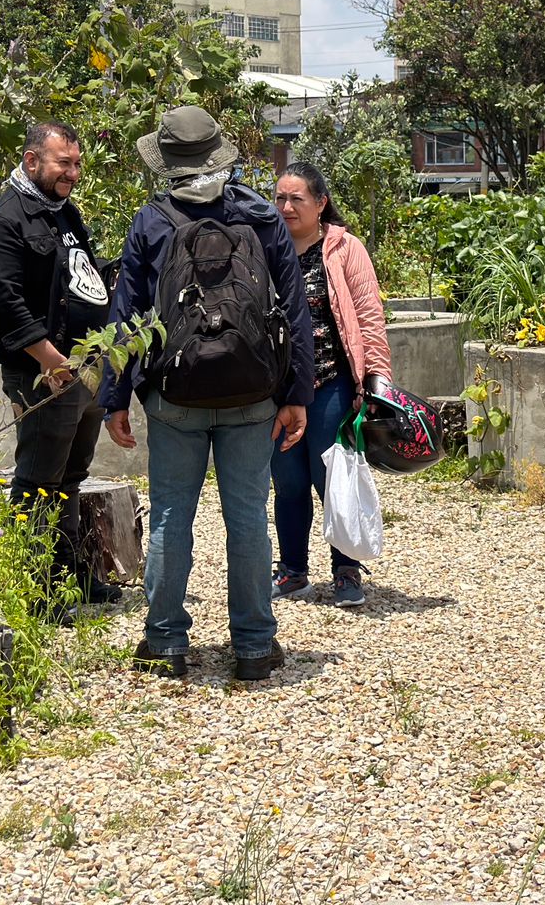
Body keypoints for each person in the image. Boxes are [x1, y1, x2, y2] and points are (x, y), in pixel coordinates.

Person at [100, 106, 313, 681]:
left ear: (168, 161)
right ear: (221, 152)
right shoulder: (262, 216)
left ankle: (165, 643)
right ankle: (253, 647)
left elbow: (127, 315)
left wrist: (114, 396)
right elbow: (293, 312)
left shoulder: (152, 221)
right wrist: (297, 394)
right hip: (252, 395)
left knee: (171, 515)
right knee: (247, 517)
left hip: (175, 397)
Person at [0, 121, 115, 620]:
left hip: (88, 366)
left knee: (72, 476)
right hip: (48, 373)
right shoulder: (3, 222)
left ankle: (71, 580)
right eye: (64, 163)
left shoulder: (64, 214)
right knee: (38, 479)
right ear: (33, 161)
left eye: (77, 164)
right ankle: (34, 592)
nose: (73, 173)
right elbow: (6, 303)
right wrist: (52, 361)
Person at [269, 163, 393, 609]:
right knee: (287, 481)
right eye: (279, 198)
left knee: (333, 478)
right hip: (279, 390)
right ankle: (292, 571)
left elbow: (369, 318)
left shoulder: (344, 248)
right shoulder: (266, 246)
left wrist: (378, 382)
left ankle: (345, 568)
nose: (285, 207)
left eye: (296, 199)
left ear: (320, 203)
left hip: (330, 383)